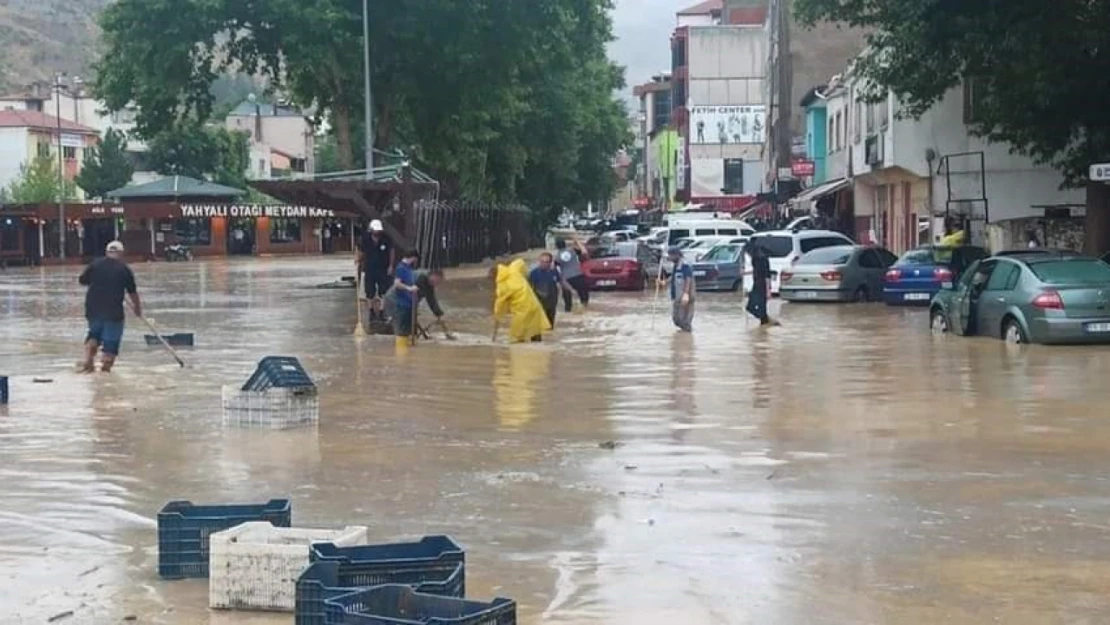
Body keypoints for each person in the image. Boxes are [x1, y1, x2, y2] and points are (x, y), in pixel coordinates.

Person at [78, 241, 141, 373]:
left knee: (94, 334)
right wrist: (137, 308)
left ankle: (89, 359)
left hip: (93, 309)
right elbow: (132, 292)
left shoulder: (95, 264)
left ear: (107, 252)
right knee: (111, 343)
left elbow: (82, 281)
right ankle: (105, 371)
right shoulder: (124, 269)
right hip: (113, 311)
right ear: (121, 253)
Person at [493, 259, 552, 343]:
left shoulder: (502, 286)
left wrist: (497, 315)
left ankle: (521, 352)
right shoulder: (513, 270)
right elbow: (520, 262)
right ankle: (539, 351)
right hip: (534, 305)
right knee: (535, 329)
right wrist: (524, 274)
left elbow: (500, 303)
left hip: (521, 311)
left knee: (516, 337)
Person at [357, 219, 395, 321]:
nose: (377, 232)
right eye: (375, 230)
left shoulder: (386, 239)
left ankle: (382, 311)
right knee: (369, 291)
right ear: (371, 230)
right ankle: (371, 311)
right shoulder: (365, 239)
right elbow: (362, 252)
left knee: (384, 290)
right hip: (370, 268)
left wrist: (391, 266)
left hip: (383, 268)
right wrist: (358, 259)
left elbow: (391, 251)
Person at [387, 249, 421, 346]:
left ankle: (407, 356)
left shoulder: (408, 268)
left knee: (408, 330)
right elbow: (397, 284)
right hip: (403, 304)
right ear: (414, 258)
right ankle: (401, 355)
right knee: (402, 331)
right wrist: (409, 288)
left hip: (409, 303)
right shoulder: (401, 268)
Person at [658, 246, 694, 332]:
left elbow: (688, 279)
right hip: (677, 297)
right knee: (676, 319)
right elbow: (673, 277)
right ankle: (683, 335)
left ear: (677, 255)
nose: (669, 257)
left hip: (685, 297)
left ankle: (687, 339)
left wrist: (686, 294)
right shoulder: (676, 265)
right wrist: (665, 282)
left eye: (671, 255)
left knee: (684, 321)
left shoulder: (685, 265)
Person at [528, 252, 564, 335]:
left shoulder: (554, 272)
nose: (543, 264)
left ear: (550, 263)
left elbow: (561, 282)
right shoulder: (534, 273)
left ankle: (549, 340)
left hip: (552, 302)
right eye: (542, 261)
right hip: (539, 302)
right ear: (539, 261)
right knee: (539, 325)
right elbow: (529, 288)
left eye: (546, 262)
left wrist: (571, 290)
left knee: (550, 325)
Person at [554, 238, 589, 312]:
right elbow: (585, 252)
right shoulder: (572, 251)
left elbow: (555, 269)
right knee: (584, 297)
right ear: (565, 244)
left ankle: (568, 311)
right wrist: (578, 242)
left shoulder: (557, 257)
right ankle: (584, 309)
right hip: (578, 275)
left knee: (567, 302)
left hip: (566, 279)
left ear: (556, 246)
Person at [746, 242, 772, 326]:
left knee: (762, 309)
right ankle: (766, 320)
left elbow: (767, 276)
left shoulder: (764, 260)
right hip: (756, 285)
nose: (747, 254)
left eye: (747, 252)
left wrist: (768, 291)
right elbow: (755, 271)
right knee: (749, 307)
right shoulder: (754, 259)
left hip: (763, 287)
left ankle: (765, 323)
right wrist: (745, 273)